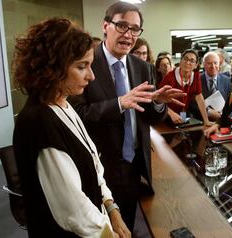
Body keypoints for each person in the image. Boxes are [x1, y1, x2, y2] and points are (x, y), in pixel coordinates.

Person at [70, 2, 185, 232]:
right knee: (102, 230)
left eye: (134, 29)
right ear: (105, 25)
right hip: (100, 167)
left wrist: (158, 103)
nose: (128, 34)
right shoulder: (87, 63)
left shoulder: (142, 67)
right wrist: (120, 103)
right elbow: (79, 115)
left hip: (134, 165)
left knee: (128, 226)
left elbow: (148, 117)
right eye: (122, 25)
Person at [12, 18, 129, 237]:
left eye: (90, 65)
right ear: (52, 68)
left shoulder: (64, 103)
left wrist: (111, 207)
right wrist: (109, 233)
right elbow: (74, 212)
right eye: (81, 66)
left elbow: (94, 166)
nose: (91, 76)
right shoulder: (39, 122)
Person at [159, 49, 211, 125]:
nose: (188, 62)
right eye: (185, 59)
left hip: (183, 114)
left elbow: (199, 98)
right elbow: (158, 100)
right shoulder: (170, 77)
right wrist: (171, 113)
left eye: (192, 60)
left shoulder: (196, 76)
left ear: (196, 65)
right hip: (166, 114)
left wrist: (206, 121)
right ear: (180, 61)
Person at [196, 51, 231, 121]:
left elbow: (230, 102)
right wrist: (208, 111)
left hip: (221, 121)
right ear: (204, 64)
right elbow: (192, 104)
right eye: (209, 63)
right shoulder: (196, 80)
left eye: (215, 63)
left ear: (219, 64)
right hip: (201, 121)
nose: (213, 66)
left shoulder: (226, 80)